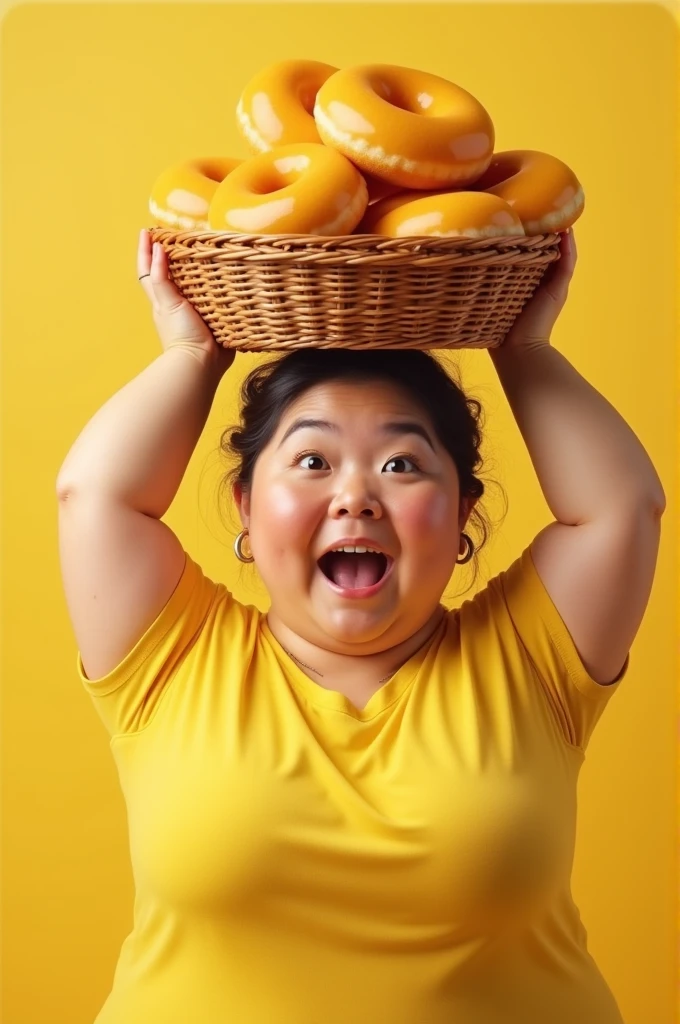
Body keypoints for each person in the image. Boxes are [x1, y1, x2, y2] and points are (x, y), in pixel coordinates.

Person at [56, 228, 665, 1024]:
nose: (356, 495)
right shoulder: (175, 655)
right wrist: (192, 353)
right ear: (245, 506)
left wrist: (524, 346)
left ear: (462, 518)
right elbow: (93, 495)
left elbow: (623, 509)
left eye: (403, 463)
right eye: (312, 461)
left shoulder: (529, 658)